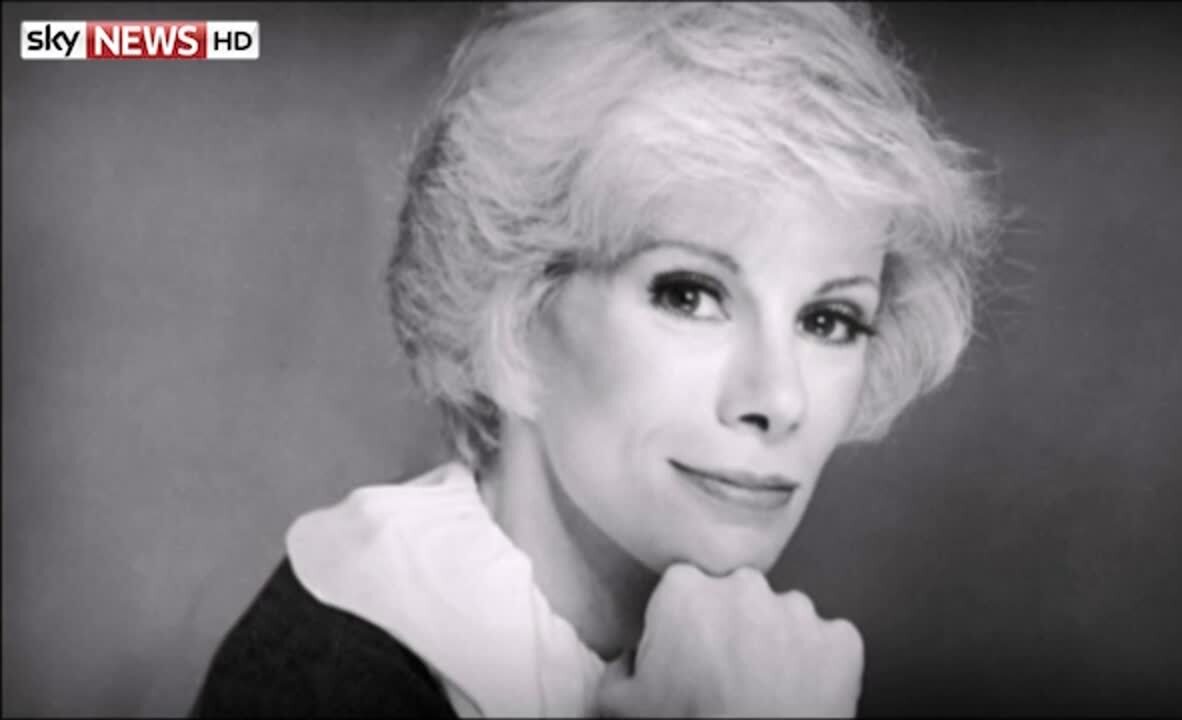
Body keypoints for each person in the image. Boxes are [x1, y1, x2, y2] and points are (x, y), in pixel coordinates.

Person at [191, 2, 1003, 717]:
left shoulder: (768, 672)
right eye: (689, 295)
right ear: (515, 324)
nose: (779, 397)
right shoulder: (321, 680)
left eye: (829, 320)